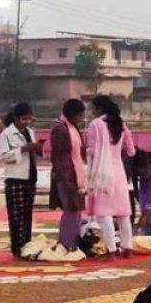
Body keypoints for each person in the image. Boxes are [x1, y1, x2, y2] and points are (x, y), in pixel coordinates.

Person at [86, 95, 135, 258]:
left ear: (99, 109)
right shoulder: (121, 125)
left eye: (93, 108)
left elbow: (92, 151)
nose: (92, 112)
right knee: (123, 213)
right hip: (119, 171)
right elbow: (131, 151)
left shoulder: (96, 125)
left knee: (104, 212)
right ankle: (128, 247)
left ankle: (111, 250)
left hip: (102, 170)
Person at [0, 103, 44, 259]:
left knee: (27, 215)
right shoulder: (6, 135)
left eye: (29, 119)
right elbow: (3, 157)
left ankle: (26, 245)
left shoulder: (30, 131)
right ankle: (16, 247)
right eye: (24, 119)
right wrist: (23, 149)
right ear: (16, 118)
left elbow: (34, 153)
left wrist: (37, 148)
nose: (27, 122)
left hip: (29, 177)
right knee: (16, 216)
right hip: (15, 179)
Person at [49, 98, 87, 252]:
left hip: (76, 176)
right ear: (71, 114)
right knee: (70, 210)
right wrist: (65, 181)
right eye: (79, 116)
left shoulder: (73, 128)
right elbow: (55, 157)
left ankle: (72, 242)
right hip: (66, 177)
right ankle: (65, 243)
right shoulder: (61, 129)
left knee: (76, 211)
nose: (81, 119)